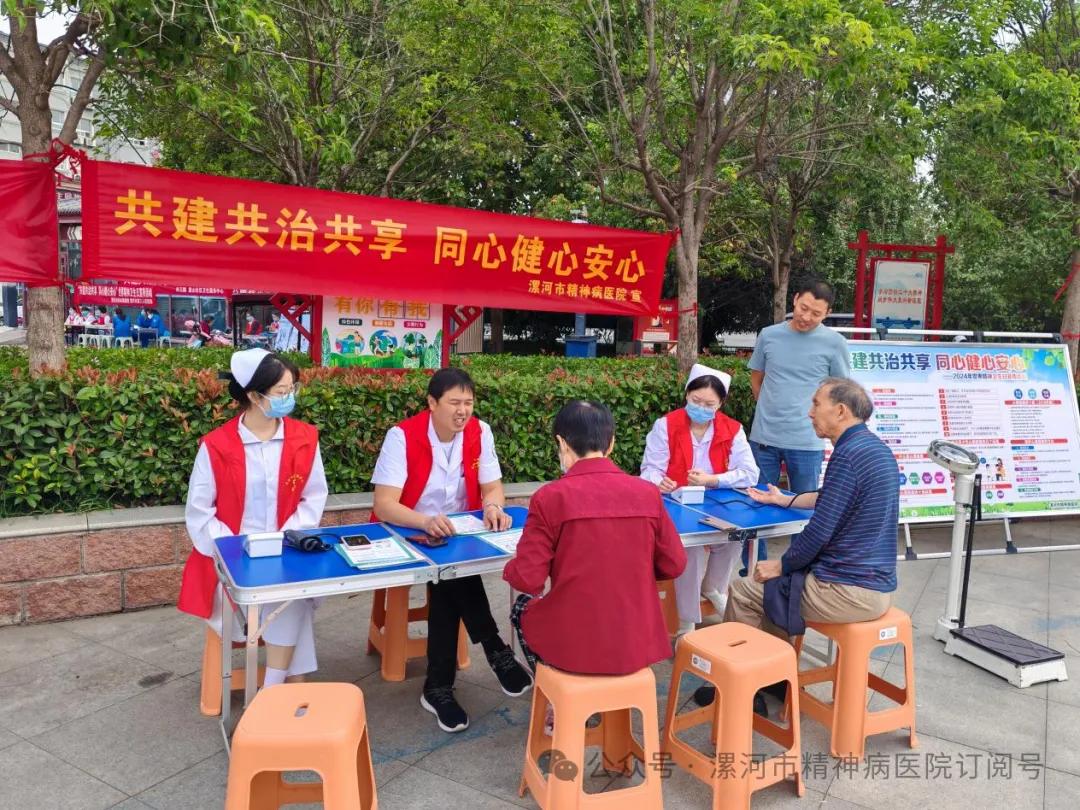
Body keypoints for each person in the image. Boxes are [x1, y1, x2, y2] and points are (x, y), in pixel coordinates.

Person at [698, 378, 898, 714]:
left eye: (816, 404)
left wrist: (782, 564)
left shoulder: (848, 455)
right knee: (777, 587)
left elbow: (819, 532)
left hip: (847, 589)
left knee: (747, 589)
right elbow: (829, 497)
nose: (810, 412)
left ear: (840, 411)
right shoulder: (873, 449)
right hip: (874, 583)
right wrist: (783, 499)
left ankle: (739, 690)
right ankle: (774, 679)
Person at [371, 368, 532, 733]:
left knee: (450, 577)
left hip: (458, 533)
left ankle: (439, 686)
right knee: (451, 575)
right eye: (454, 403)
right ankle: (494, 648)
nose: (463, 411)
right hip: (408, 529)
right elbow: (384, 504)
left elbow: (492, 487)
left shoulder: (480, 431)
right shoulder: (402, 436)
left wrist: (493, 507)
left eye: (468, 403)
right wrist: (425, 521)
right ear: (432, 403)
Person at [178, 348, 328, 687]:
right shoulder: (216, 446)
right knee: (288, 595)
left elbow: (313, 498)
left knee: (289, 587)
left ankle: (277, 689)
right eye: (281, 392)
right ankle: (287, 686)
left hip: (287, 550)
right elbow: (200, 513)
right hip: (232, 560)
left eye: (292, 389)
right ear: (254, 396)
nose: (289, 398)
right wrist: (239, 550)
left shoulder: (305, 439)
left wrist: (285, 541)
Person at [505, 400, 687, 678]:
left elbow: (528, 580)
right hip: (636, 642)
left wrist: (512, 567)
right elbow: (674, 564)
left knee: (522, 609)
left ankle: (555, 690)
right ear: (611, 443)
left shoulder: (549, 497)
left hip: (573, 645)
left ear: (561, 443)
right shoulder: (647, 493)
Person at [640, 363, 758, 633]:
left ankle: (714, 587)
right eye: (696, 401)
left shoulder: (732, 429)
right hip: (674, 505)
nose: (701, 408)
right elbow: (649, 469)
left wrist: (714, 479)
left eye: (709, 404)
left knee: (733, 538)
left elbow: (750, 473)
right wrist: (659, 481)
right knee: (689, 548)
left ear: (721, 404)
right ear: (686, 395)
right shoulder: (665, 425)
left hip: (717, 505)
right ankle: (687, 618)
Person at [746, 279, 850, 568]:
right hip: (764, 436)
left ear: (827, 313)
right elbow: (756, 377)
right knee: (755, 505)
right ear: (794, 300)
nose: (806, 317)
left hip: (807, 440)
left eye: (816, 313)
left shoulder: (834, 343)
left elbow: (840, 389)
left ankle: (797, 569)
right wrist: (770, 407)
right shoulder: (769, 335)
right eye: (803, 308)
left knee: (804, 510)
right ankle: (753, 568)